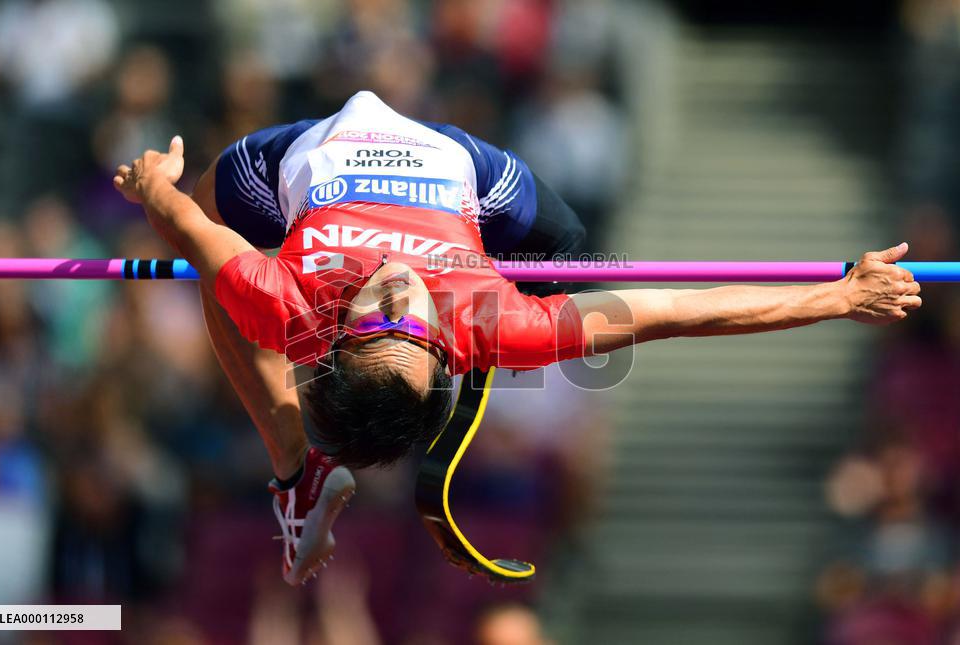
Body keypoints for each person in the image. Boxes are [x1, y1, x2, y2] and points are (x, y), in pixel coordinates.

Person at [113, 90, 922, 586]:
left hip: (298, 154)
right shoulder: (494, 324)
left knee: (213, 238)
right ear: (445, 353)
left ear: (333, 336)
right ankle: (302, 463)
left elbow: (180, 214)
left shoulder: (287, 302)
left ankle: (296, 468)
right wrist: (837, 296)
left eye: (372, 320)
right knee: (564, 260)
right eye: (411, 326)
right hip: (462, 164)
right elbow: (677, 309)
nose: (395, 293)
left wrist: (154, 184)